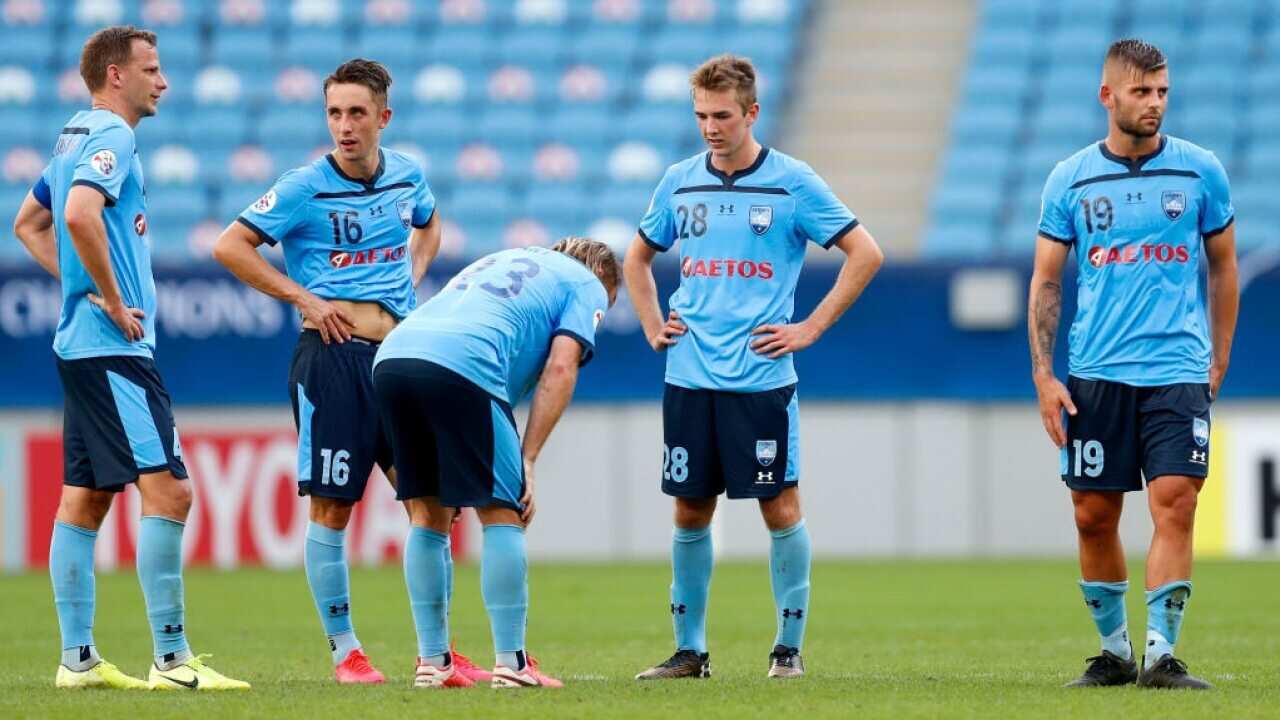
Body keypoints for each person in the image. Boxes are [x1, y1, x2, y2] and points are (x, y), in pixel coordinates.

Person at [213, 59, 494, 685]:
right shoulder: (301, 187)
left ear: (383, 118)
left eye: (357, 113)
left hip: (400, 361)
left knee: (434, 507)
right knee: (334, 509)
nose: (344, 126)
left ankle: (437, 653)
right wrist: (305, 300)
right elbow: (229, 245)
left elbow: (429, 221)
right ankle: (346, 653)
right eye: (334, 113)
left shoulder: (408, 175)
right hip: (333, 362)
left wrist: (411, 278)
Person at [624, 54, 883, 680]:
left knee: (780, 507)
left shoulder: (792, 183)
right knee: (690, 511)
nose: (711, 128)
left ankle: (787, 649)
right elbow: (635, 260)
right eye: (701, 116)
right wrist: (653, 323)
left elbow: (864, 253)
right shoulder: (680, 180)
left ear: (751, 113)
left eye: (722, 116)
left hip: (761, 377)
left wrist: (810, 328)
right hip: (689, 374)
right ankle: (690, 651)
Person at [11, 26, 248, 691]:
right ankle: (172, 662)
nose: (163, 80)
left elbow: (29, 222)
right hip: (114, 346)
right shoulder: (112, 137)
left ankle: (77, 661)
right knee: (169, 490)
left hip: (79, 346)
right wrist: (109, 298)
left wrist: (77, 287)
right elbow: (82, 214)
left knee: (84, 500)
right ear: (116, 75)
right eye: (152, 68)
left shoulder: (72, 135)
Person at [1029, 39, 1238, 690]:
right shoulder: (1070, 179)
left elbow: (1225, 267)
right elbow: (1046, 282)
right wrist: (1043, 374)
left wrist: (1220, 353)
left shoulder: (1201, 171)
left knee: (1175, 503)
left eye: (1163, 92)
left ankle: (1161, 653)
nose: (1155, 104)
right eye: (1142, 92)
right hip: (1096, 373)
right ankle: (1115, 651)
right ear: (1108, 96)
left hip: (1177, 369)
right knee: (1093, 513)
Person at [372, 237, 618, 688]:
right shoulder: (587, 282)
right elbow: (562, 368)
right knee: (505, 512)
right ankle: (512, 664)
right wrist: (528, 457)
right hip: (463, 360)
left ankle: (432, 662)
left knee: (428, 514)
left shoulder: (502, 255)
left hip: (393, 357)